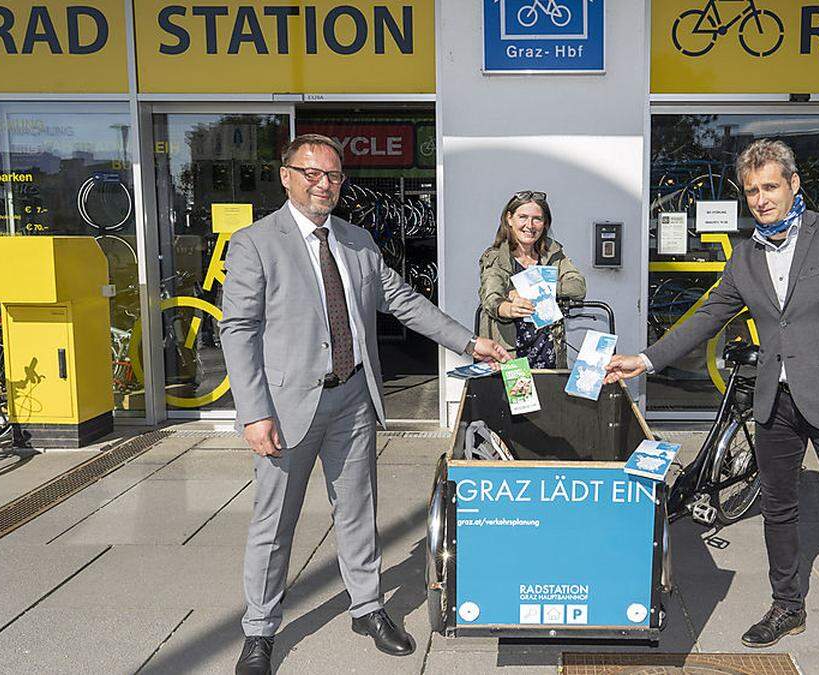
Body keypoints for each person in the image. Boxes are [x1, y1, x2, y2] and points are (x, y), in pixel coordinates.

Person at [220, 134, 509, 675]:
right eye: (311, 173)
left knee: (357, 511)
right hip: (285, 410)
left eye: (332, 175)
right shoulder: (255, 242)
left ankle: (368, 606)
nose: (323, 184)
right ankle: (260, 630)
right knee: (273, 523)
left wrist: (469, 342)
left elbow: (401, 300)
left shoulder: (356, 239)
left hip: (352, 398)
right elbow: (237, 330)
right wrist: (254, 412)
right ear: (286, 175)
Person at [605, 139, 819, 675]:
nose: (761, 199)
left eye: (770, 187)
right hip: (774, 403)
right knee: (779, 511)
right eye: (752, 190)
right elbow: (707, 314)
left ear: (793, 184)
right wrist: (645, 359)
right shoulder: (747, 254)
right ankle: (788, 606)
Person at [478, 191, 586, 368]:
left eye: (537, 219)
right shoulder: (496, 257)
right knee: (517, 395)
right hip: (509, 353)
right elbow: (491, 298)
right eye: (523, 217)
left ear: (545, 224)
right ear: (509, 219)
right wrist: (508, 307)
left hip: (550, 352)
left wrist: (527, 290)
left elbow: (578, 287)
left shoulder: (553, 253)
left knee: (549, 396)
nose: (530, 225)